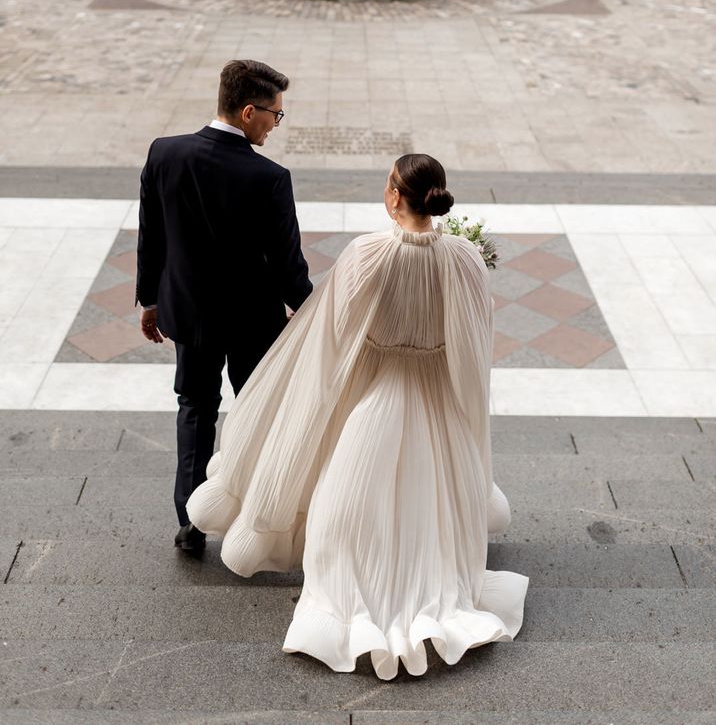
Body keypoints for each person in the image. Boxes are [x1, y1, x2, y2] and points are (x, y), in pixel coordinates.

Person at [187, 154, 528, 680]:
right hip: (437, 396)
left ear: (394, 195)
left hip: (380, 393)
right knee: (430, 497)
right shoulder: (463, 258)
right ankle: (428, 587)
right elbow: (475, 347)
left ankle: (354, 591)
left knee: (345, 501)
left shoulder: (367, 254)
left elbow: (335, 336)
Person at [137, 60, 312, 557]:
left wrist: (150, 300)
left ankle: (190, 522)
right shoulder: (269, 177)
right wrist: (314, 310)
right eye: (275, 116)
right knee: (253, 415)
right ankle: (250, 518)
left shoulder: (165, 153)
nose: (276, 125)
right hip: (251, 322)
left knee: (195, 408)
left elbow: (152, 236)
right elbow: (287, 265)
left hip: (188, 315)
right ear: (249, 111)